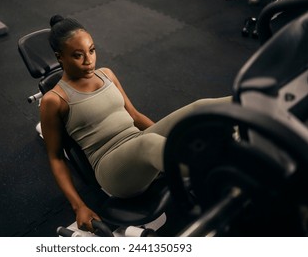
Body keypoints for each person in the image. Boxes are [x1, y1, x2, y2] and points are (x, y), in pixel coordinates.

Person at [40, 15, 231, 233]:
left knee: (199, 107)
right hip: (112, 168)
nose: (89, 61)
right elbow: (55, 158)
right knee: (150, 142)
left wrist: (168, 141)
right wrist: (79, 207)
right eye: (78, 55)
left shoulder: (106, 74)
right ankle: (230, 169)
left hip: (138, 142)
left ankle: (261, 106)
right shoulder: (54, 100)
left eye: (91, 50)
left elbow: (134, 115)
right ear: (60, 57)